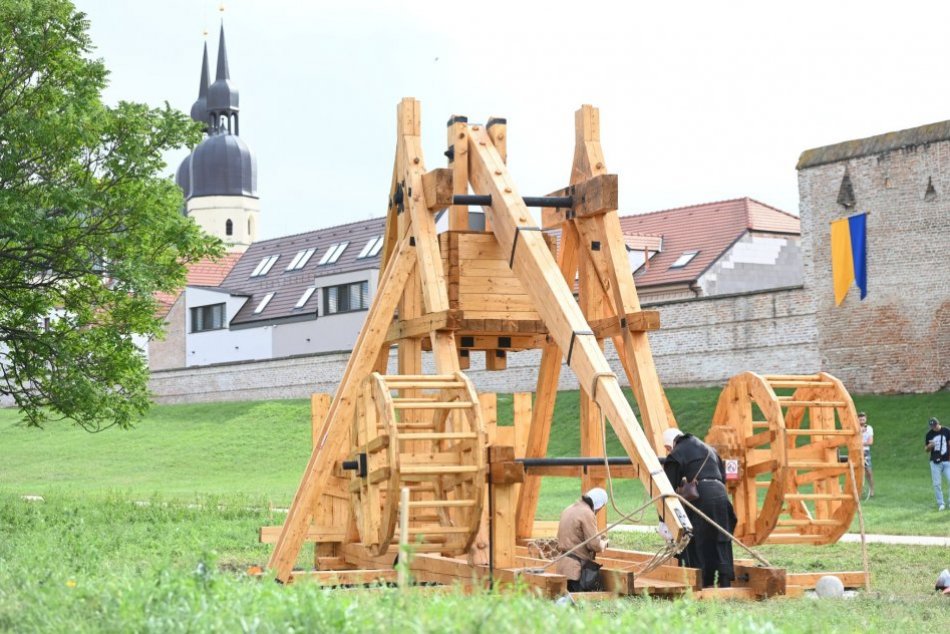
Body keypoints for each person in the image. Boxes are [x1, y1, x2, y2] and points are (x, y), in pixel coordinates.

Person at [663, 427, 737, 588]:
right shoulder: (709, 449)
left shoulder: (677, 452)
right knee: (720, 538)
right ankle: (723, 582)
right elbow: (722, 477)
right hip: (721, 495)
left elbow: (667, 488)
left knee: (698, 540)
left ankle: (700, 582)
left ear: (670, 445)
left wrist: (664, 521)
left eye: (667, 449)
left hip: (702, 496)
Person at [556, 487, 609, 592]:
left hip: (562, 567)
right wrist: (603, 544)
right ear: (598, 505)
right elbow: (594, 545)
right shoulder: (587, 513)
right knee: (578, 605)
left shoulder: (568, 509)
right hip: (575, 570)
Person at [925, 417, 950, 511]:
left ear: (938, 423)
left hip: (947, 461)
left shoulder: (947, 431)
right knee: (936, 484)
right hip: (935, 462)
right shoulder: (929, 434)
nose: (934, 428)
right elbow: (926, 449)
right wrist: (929, 446)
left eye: (935, 425)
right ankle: (941, 503)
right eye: (932, 426)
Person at [859, 412, 874, 497]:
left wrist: (860, 443)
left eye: (863, 419)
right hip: (856, 451)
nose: (862, 421)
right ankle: (859, 490)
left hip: (865, 452)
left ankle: (872, 490)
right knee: (857, 472)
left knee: (868, 471)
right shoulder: (855, 427)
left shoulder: (869, 428)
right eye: (860, 419)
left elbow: (870, 442)